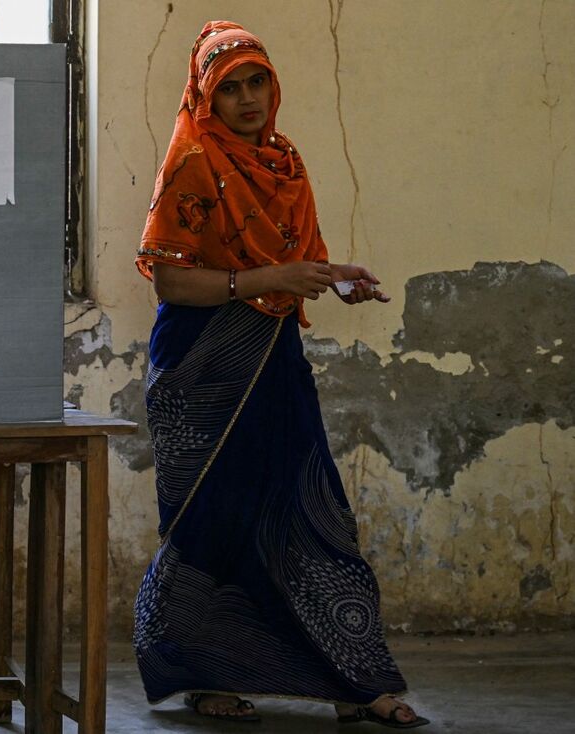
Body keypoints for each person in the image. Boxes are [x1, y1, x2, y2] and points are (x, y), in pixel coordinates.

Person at [132, 20, 429, 729]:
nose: (246, 100)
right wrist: (271, 276)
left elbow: (291, 263)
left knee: (308, 507)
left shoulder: (282, 160)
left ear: (273, 84)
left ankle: (358, 680)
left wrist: (335, 276)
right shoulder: (194, 162)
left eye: (256, 82)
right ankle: (206, 679)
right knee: (214, 521)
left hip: (272, 357)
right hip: (204, 365)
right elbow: (172, 282)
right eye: (228, 88)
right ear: (206, 97)